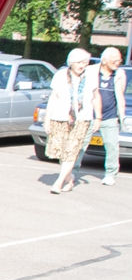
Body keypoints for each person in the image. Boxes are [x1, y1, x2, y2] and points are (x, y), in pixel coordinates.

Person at [45, 47, 96, 193]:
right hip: (60, 118)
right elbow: (53, 98)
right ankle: (69, 177)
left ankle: (59, 182)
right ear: (71, 62)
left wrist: (97, 117)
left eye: (85, 63)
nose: (82, 66)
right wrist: (47, 120)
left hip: (82, 119)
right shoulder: (61, 75)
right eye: (79, 62)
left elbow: (94, 97)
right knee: (61, 152)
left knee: (72, 151)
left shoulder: (90, 77)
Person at [81, 47, 128, 185]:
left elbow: (120, 94)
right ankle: (73, 169)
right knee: (81, 143)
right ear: (105, 60)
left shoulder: (120, 74)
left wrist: (121, 115)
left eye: (119, 60)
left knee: (112, 145)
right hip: (89, 115)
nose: (118, 63)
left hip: (110, 116)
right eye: (115, 60)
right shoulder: (90, 71)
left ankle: (110, 174)